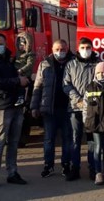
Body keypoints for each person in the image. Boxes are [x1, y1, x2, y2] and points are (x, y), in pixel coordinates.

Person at [0, 33, 30, 189]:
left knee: (14, 142)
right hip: (2, 106)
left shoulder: (9, 60)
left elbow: (16, 76)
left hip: (16, 105)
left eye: (1, 43)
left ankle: (12, 172)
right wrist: (17, 81)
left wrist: (21, 79)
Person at [30, 39, 74, 179]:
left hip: (68, 108)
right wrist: (34, 106)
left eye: (62, 49)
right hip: (50, 109)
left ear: (67, 49)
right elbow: (37, 87)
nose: (60, 52)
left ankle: (66, 165)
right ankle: (48, 166)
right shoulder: (44, 65)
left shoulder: (73, 63)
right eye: (57, 49)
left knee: (67, 139)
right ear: (52, 50)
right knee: (49, 139)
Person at [63, 37, 99, 181]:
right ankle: (75, 169)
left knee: (91, 140)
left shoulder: (97, 64)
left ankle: (93, 169)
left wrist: (90, 102)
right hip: (75, 108)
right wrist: (77, 99)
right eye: (83, 47)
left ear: (92, 48)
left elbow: (101, 83)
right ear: (78, 49)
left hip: (92, 108)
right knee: (75, 139)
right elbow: (66, 84)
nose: (86, 50)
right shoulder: (70, 65)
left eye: (88, 47)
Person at [13, 32, 35, 107]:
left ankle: (21, 98)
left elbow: (30, 64)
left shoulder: (30, 54)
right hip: (17, 73)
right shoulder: (17, 54)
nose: (20, 47)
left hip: (25, 74)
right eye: (19, 45)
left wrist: (21, 70)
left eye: (22, 45)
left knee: (22, 86)